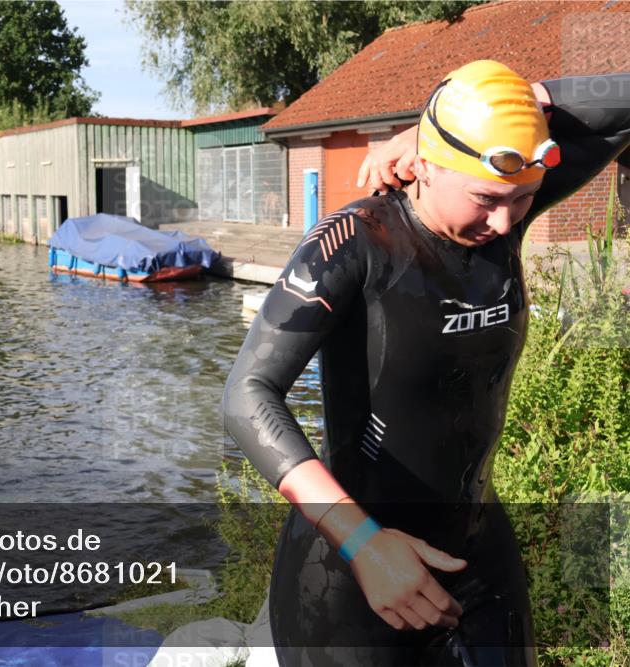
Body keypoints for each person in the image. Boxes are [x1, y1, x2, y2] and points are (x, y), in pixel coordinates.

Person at [222, 61, 629, 666]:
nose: (504, 222)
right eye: (487, 198)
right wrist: (363, 544)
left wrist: (527, 100)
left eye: (523, 199)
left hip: (476, 548)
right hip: (347, 569)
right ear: (429, 165)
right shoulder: (357, 240)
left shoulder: (500, 227)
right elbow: (247, 395)